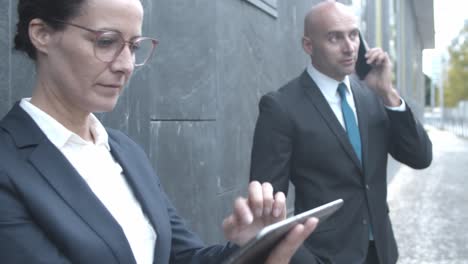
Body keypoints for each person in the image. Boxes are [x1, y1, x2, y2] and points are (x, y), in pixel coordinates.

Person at [0, 0, 319, 263]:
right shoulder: (8, 166)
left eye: (134, 46)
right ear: (42, 34)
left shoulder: (124, 151)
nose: (125, 64)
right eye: (106, 41)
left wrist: (251, 248)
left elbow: (182, 257)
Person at [249, 1, 432, 264]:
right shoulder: (281, 107)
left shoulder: (373, 95)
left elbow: (420, 157)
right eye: (335, 37)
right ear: (308, 45)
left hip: (381, 252)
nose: (349, 47)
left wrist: (389, 94)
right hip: (324, 256)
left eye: (353, 34)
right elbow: (266, 211)